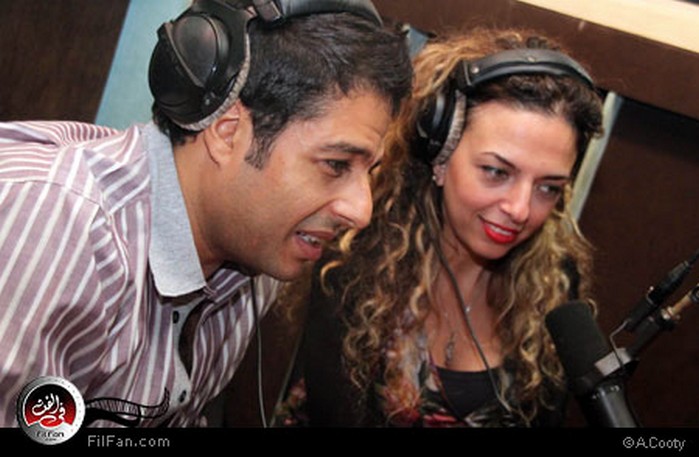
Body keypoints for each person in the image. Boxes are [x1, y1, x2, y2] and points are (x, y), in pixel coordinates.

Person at [0, 0, 412, 427]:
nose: (361, 211)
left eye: (369, 172)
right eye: (336, 165)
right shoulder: (52, 224)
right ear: (227, 133)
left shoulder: (253, 261)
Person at [274, 26, 604, 427]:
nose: (520, 210)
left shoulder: (555, 281)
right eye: (496, 171)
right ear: (441, 155)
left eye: (548, 187)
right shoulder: (352, 262)